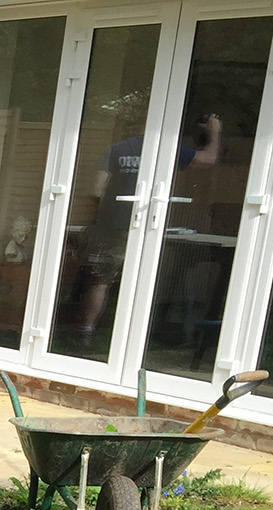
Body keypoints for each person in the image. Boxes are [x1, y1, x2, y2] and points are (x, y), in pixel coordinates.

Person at [79, 94, 222, 342]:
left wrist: (100, 216)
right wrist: (215, 131)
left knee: (102, 280)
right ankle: (135, 337)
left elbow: (96, 189)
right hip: (149, 226)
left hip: (113, 224)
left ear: (137, 125)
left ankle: (86, 332)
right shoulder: (166, 150)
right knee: (142, 279)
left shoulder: (116, 149)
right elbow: (209, 159)